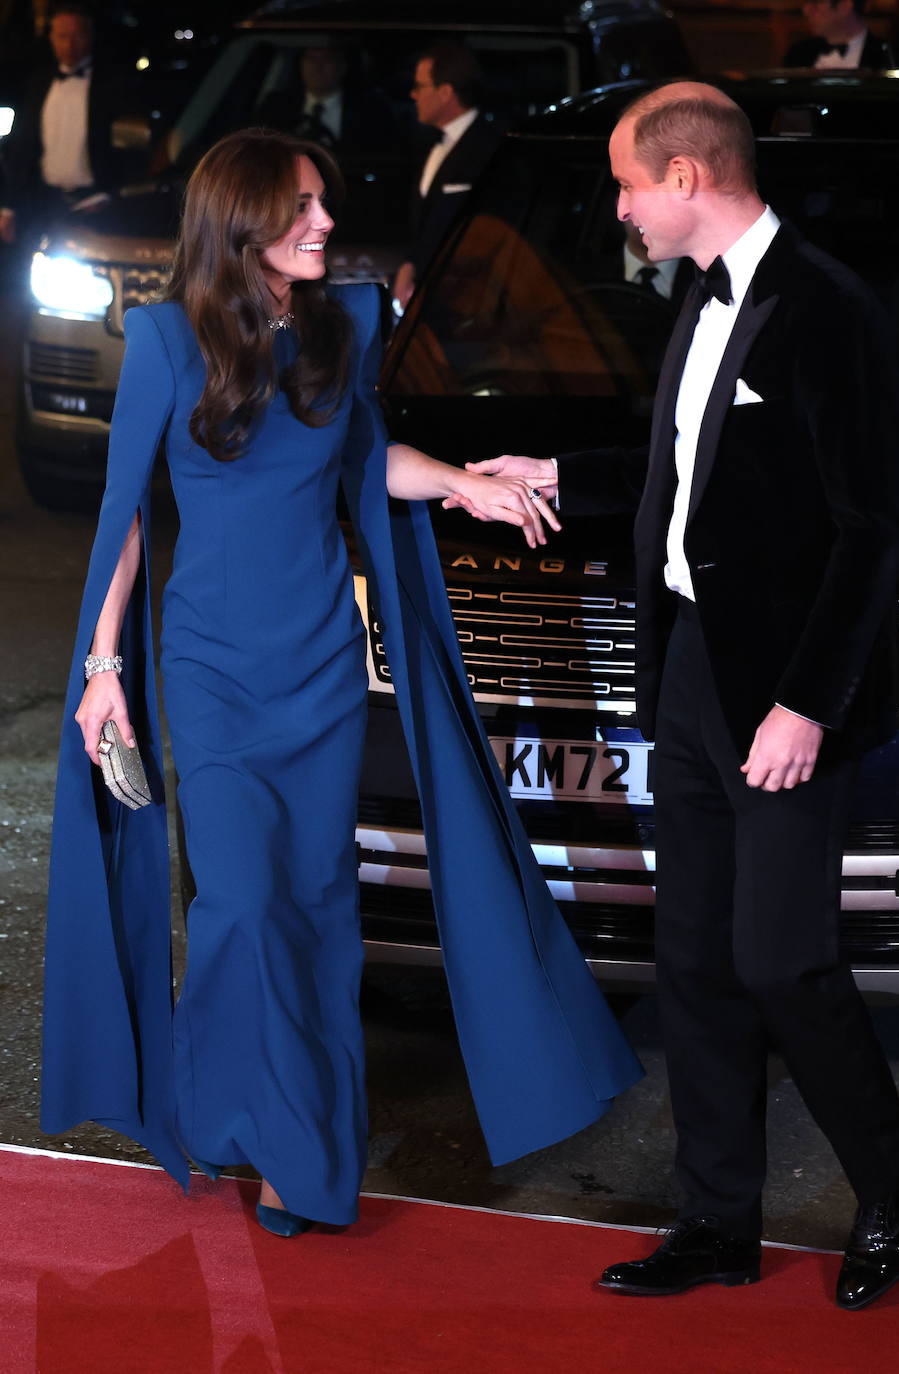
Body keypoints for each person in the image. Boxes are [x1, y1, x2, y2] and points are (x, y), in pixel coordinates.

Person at [42, 128, 643, 1237]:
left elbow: (367, 461)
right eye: (302, 208)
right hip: (213, 673)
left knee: (316, 914)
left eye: (325, 201)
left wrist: (464, 484)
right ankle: (243, 1115)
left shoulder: (344, 328)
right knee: (237, 905)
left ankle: (297, 1155)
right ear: (242, 224)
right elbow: (125, 519)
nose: (326, 223)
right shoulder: (167, 343)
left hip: (319, 668)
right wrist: (101, 668)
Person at [464, 82, 899, 1311]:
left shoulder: (828, 312)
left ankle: (895, 1175)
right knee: (695, 967)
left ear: (685, 180)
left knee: (782, 963)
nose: (617, 209)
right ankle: (717, 1220)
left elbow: (872, 531)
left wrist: (806, 705)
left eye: (627, 185)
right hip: (686, 678)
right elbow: (688, 474)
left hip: (780, 697)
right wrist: (557, 471)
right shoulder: (696, 302)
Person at [0, 2, 138, 246]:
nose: (70, 45)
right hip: (41, 201)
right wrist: (8, 207)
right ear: (51, 38)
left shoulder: (111, 86)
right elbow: (23, 147)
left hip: (94, 205)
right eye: (62, 36)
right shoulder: (39, 83)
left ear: (90, 36)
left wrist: (109, 193)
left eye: (77, 36)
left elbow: (128, 144)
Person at [391, 42, 502, 313]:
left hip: (470, 301)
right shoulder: (429, 144)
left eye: (420, 86)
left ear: (445, 93)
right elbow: (425, 222)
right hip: (429, 298)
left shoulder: (491, 148)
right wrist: (410, 263)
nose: (413, 95)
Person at [255, 40, 398, 161]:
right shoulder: (276, 105)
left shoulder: (371, 111)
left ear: (342, 66)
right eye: (311, 58)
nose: (318, 66)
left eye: (327, 58)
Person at [782, 0, 892, 68]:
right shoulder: (798, 54)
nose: (805, 10)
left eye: (817, 2)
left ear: (845, 6)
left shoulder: (889, 57)